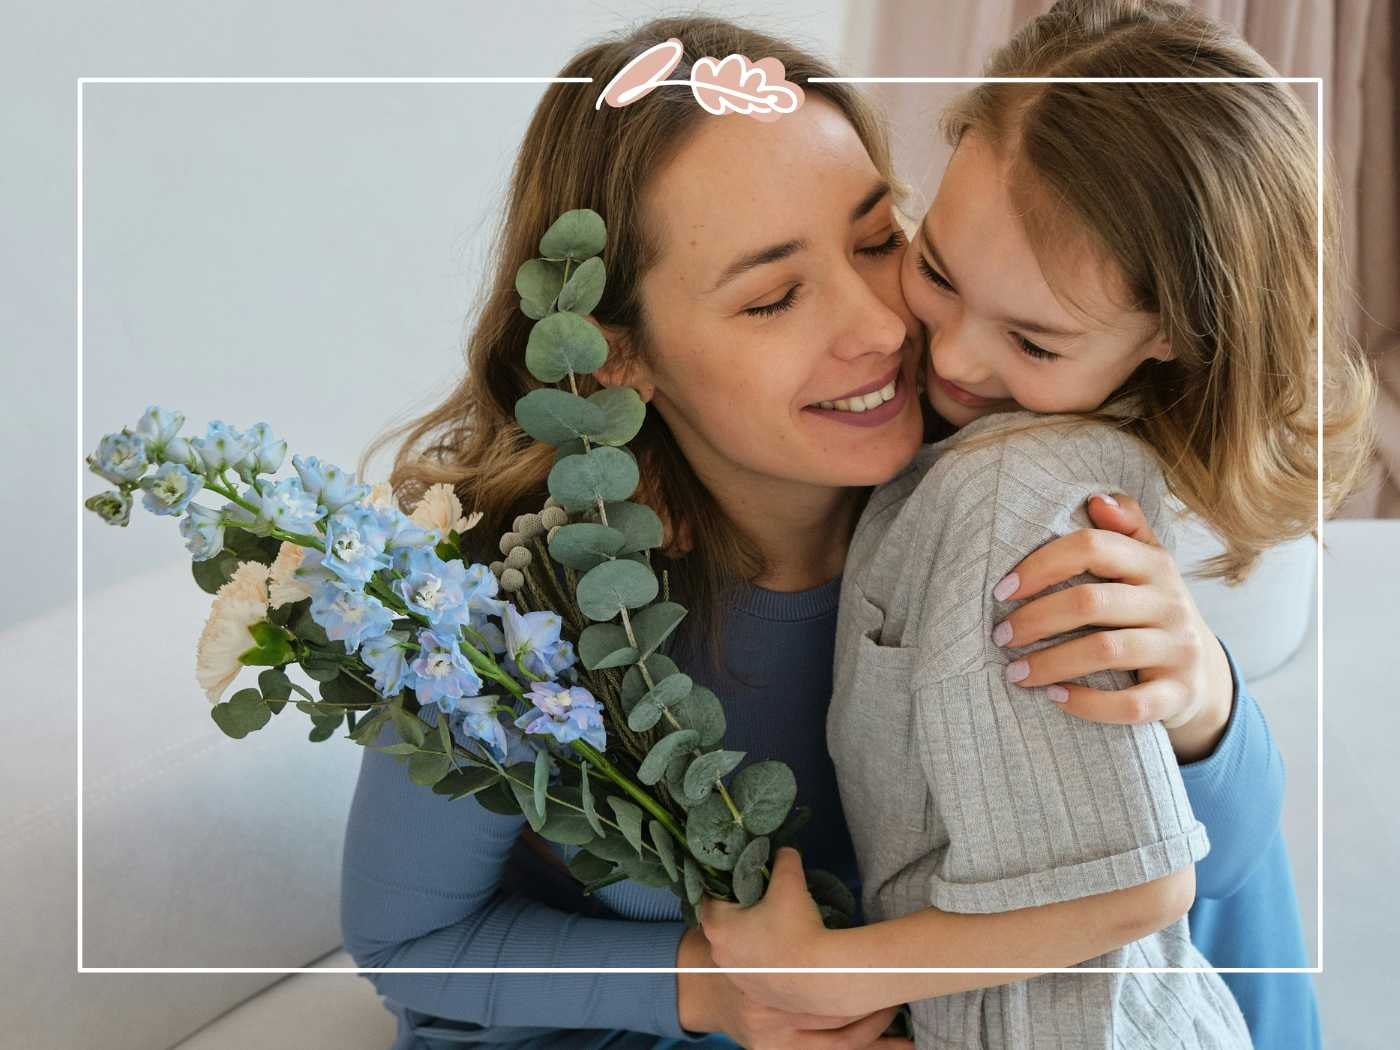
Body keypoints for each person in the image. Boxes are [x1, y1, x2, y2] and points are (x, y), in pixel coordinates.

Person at [341, 15, 1308, 1049]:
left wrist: (1196, 703)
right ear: (611, 361)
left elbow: (1217, 887)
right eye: (773, 299)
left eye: (878, 240)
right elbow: (407, 942)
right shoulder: (519, 602)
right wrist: (712, 990)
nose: (884, 328)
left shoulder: (993, 491)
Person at [698, 2, 1375, 1048]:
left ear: (1167, 340)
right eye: (932, 269)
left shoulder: (1032, 499)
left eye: (1033, 341)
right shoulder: (906, 421)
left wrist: (1201, 703)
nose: (956, 359)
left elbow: (1166, 879)